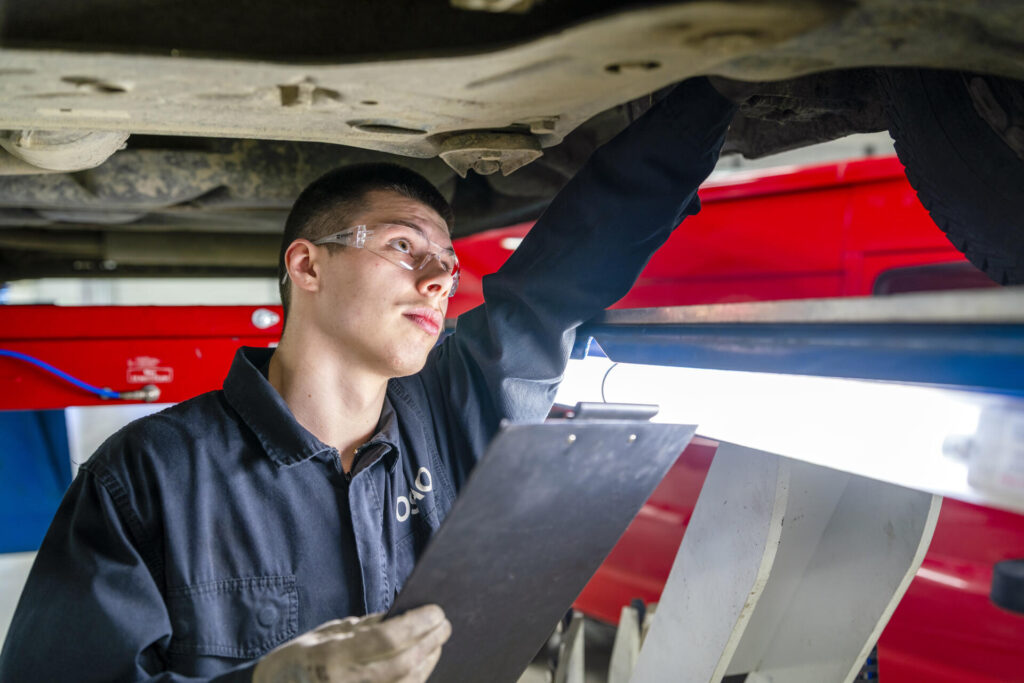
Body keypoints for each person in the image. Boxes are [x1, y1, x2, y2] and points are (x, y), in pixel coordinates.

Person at [0, 77, 738, 682]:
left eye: (446, 264)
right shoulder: (144, 478)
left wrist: (716, 98)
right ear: (308, 265)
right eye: (402, 245)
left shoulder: (455, 413)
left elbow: (559, 283)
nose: (437, 279)